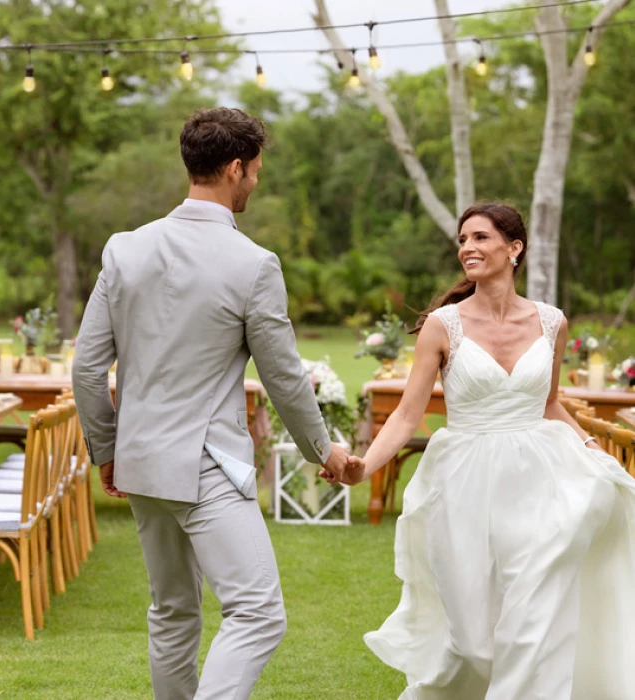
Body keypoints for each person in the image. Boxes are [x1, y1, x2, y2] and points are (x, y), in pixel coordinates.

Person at [72, 107, 348, 700]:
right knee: (258, 613)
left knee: (173, 613)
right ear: (235, 167)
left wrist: (108, 450)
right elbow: (284, 377)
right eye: (255, 172)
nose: (256, 182)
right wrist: (323, 449)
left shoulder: (124, 249)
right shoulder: (254, 264)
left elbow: (87, 367)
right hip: (206, 469)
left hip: (140, 464)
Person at [330, 203, 635, 699]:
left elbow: (550, 403)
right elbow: (407, 415)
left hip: (545, 479)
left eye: (480, 238)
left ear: (514, 249)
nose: (467, 248)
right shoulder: (442, 326)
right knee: (473, 643)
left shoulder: (552, 322)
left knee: (532, 620)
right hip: (464, 483)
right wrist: (366, 468)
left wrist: (591, 449)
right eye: (462, 240)